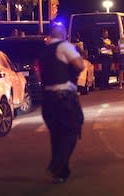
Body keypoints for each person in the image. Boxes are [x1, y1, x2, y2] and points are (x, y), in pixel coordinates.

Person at [38, 22, 85, 184]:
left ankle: (61, 172)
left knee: (57, 135)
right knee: (72, 130)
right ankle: (57, 165)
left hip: (47, 98)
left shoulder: (44, 50)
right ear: (63, 34)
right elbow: (80, 65)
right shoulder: (64, 46)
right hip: (64, 97)